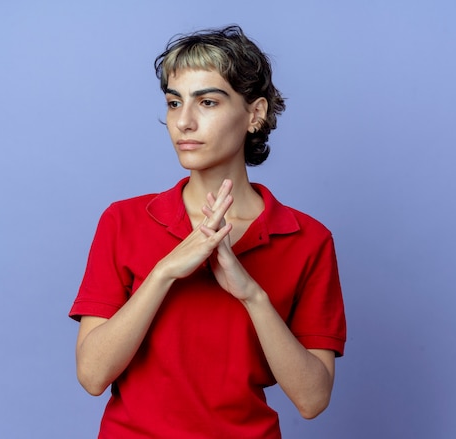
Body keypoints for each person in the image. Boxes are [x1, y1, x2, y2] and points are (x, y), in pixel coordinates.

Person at [69, 25, 346, 439]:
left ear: (255, 114)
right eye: (174, 102)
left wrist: (252, 294)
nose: (183, 121)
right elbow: (92, 376)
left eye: (208, 102)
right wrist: (164, 272)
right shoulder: (123, 221)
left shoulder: (308, 240)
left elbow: (313, 399)